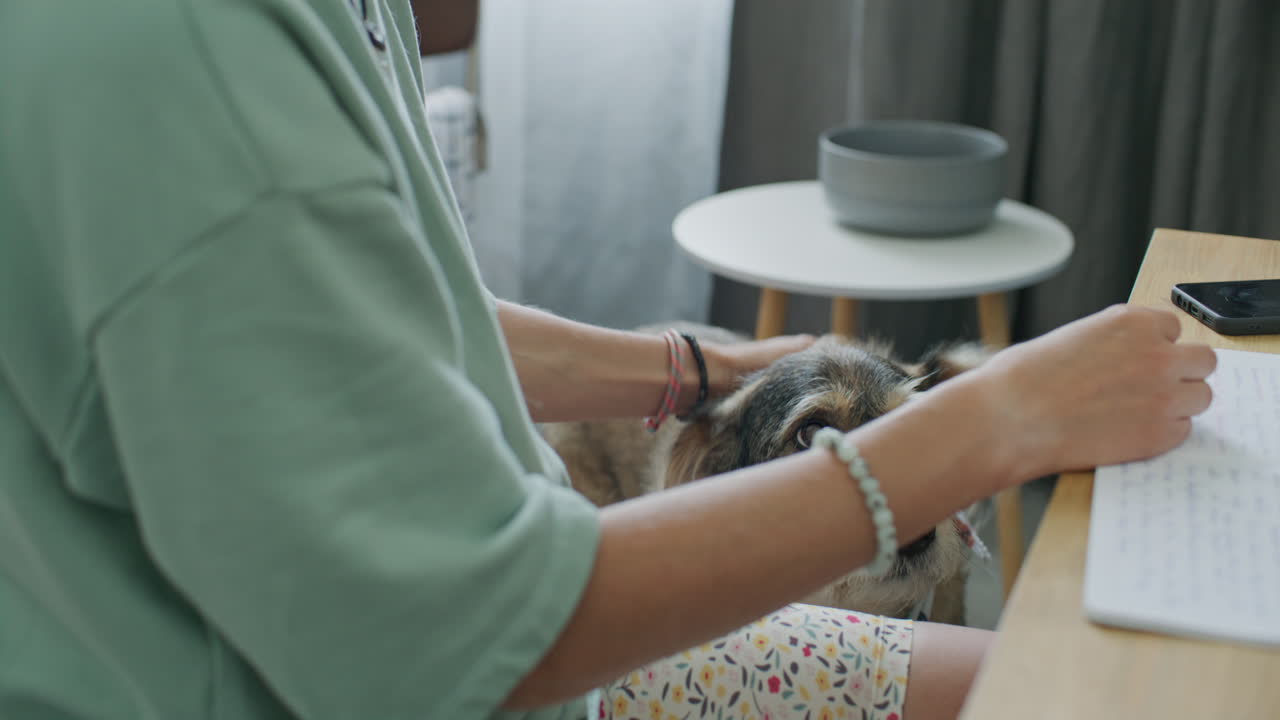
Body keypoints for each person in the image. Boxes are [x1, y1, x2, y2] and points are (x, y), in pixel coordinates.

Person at [0, 1, 1216, 719]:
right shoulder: (189, 68)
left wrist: (686, 369)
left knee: (1050, 685)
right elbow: (469, 641)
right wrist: (986, 426)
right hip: (452, 657)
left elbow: (380, 311)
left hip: (470, 630)